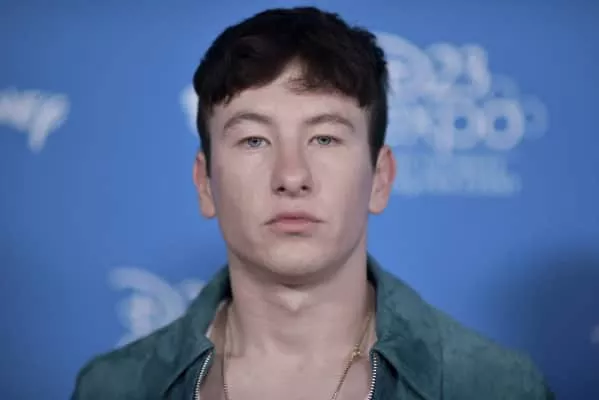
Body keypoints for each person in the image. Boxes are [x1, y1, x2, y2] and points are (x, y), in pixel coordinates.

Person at [71, 6, 554, 400]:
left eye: (324, 138)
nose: (291, 177)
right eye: (254, 140)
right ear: (205, 183)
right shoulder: (115, 388)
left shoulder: (494, 386)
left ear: (380, 178)